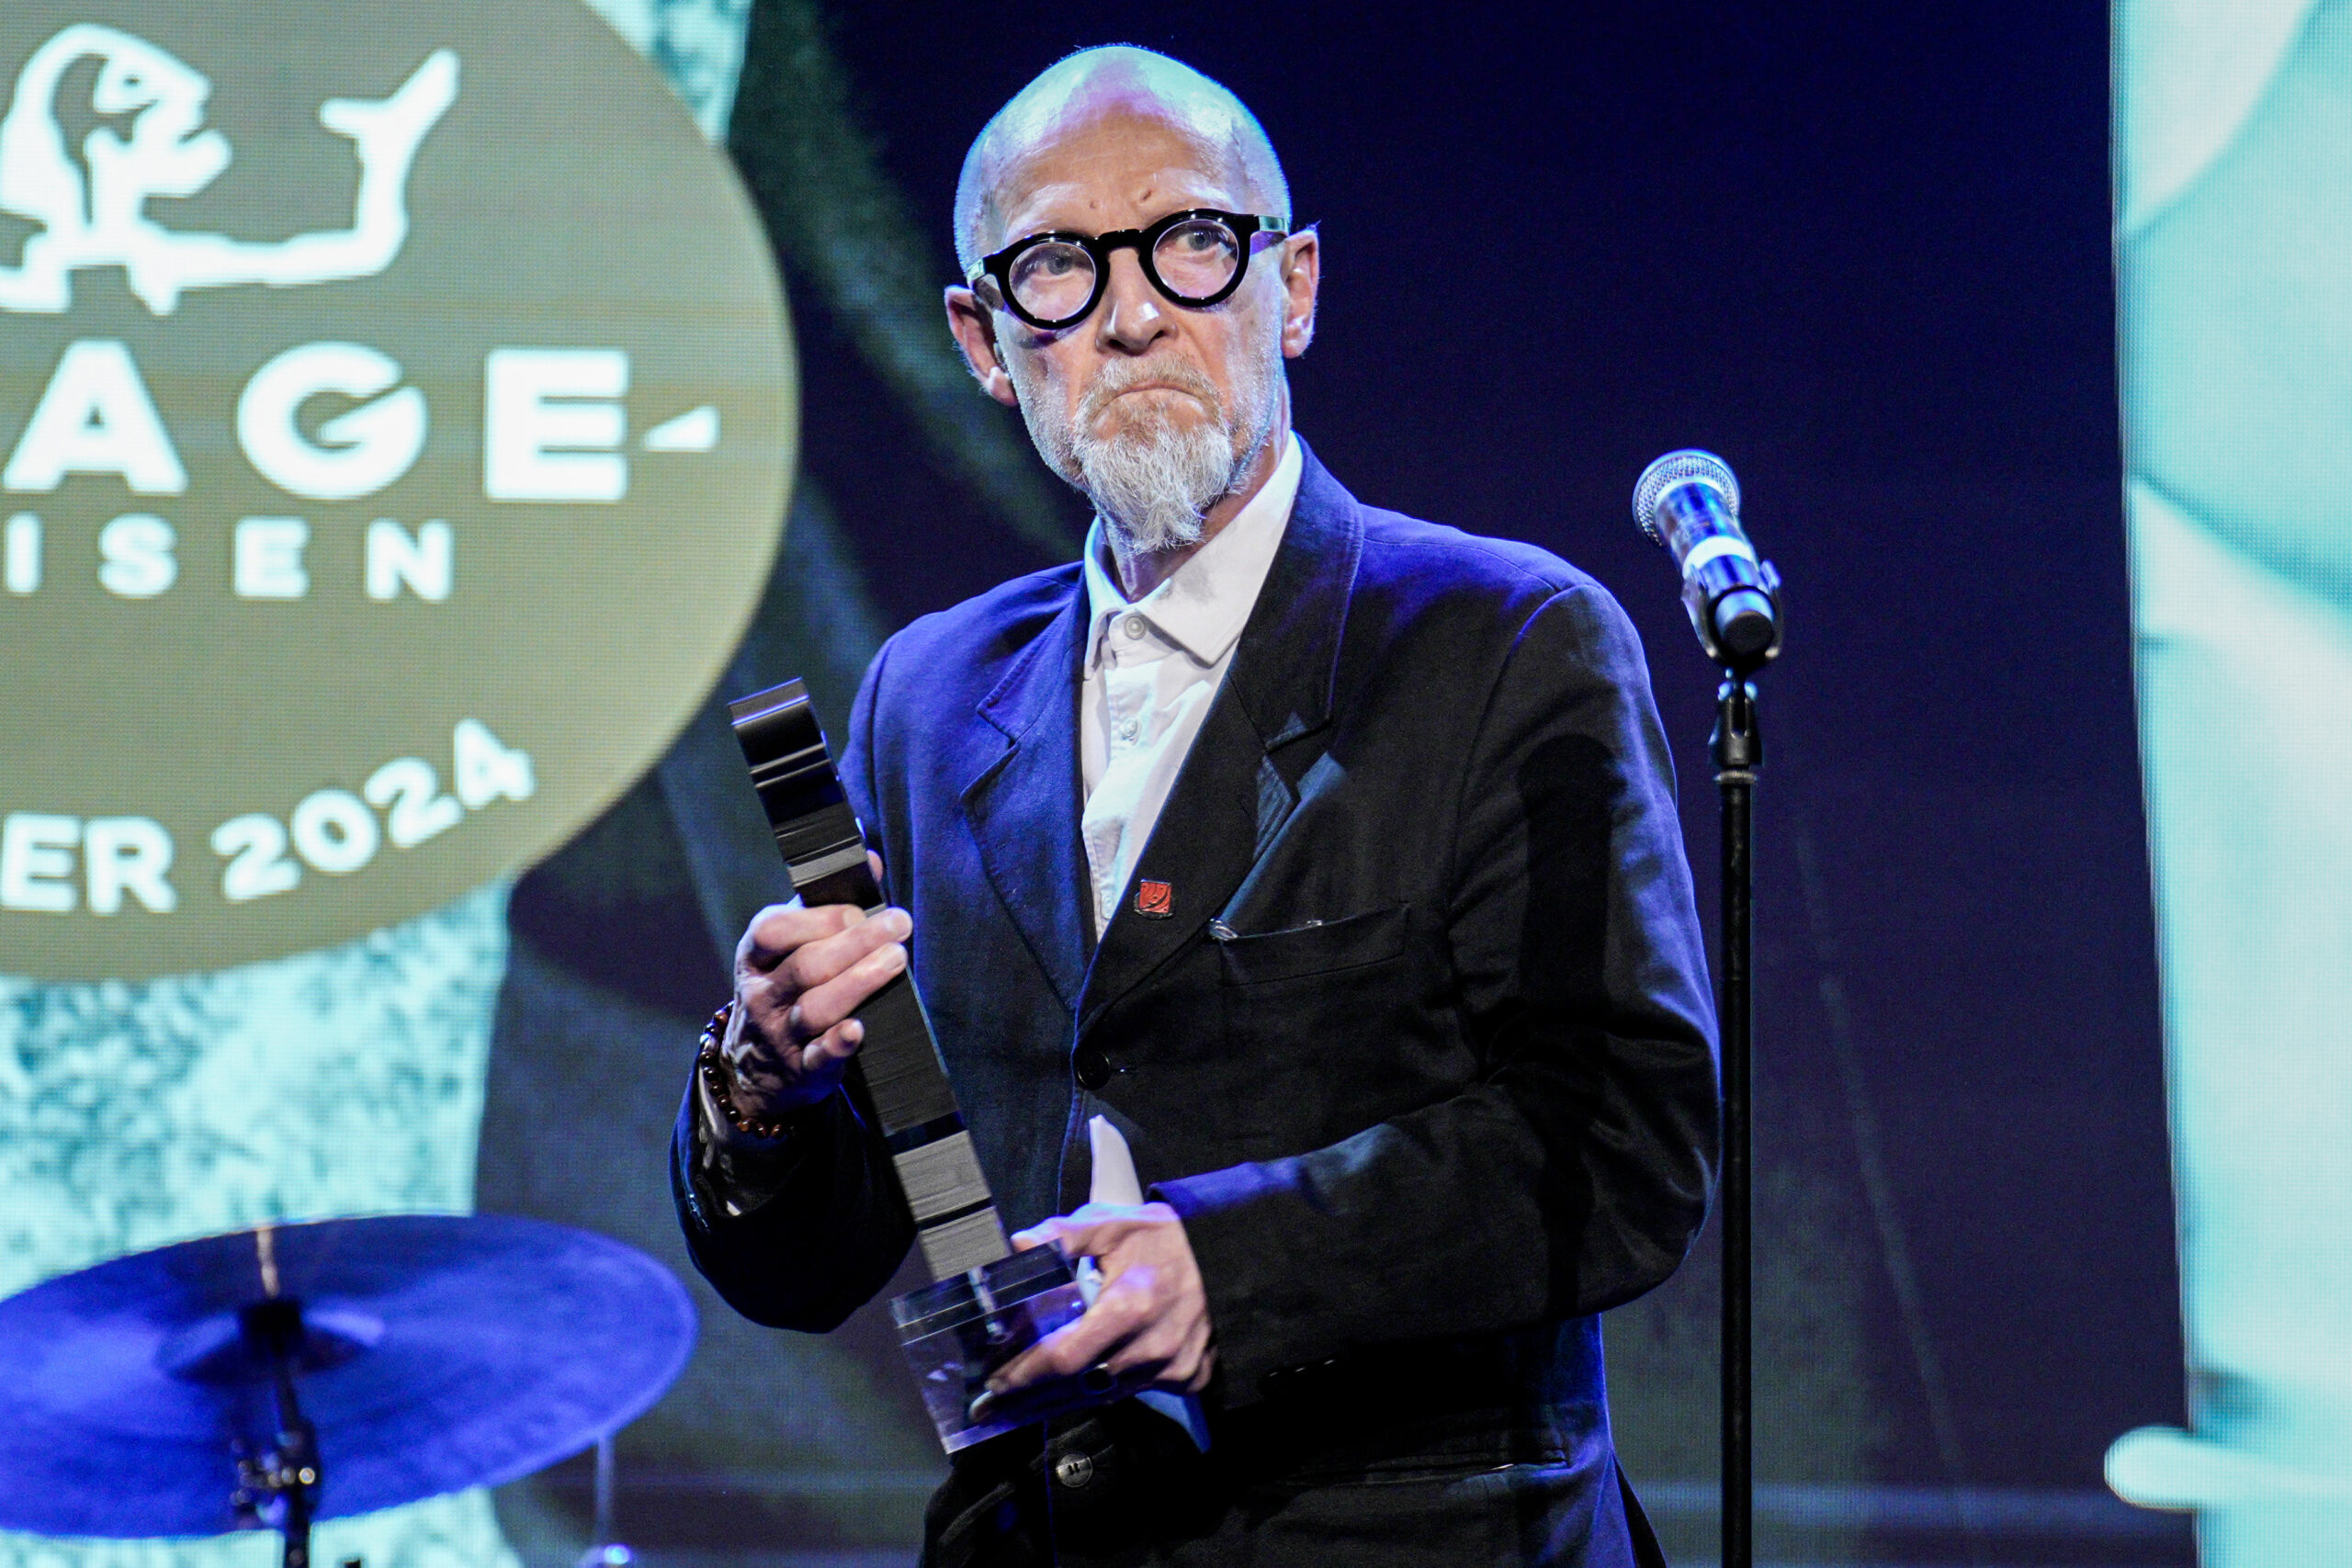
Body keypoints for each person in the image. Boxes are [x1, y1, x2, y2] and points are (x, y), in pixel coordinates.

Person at [672, 45, 1718, 1568]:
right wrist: (766, 1084)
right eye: (1054, 267)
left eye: (1192, 241)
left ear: (1289, 287)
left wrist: (1226, 1268)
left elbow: (1619, 1140)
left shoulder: (1499, 640)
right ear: (981, 338)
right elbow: (824, 1253)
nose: (1132, 309)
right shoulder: (929, 688)